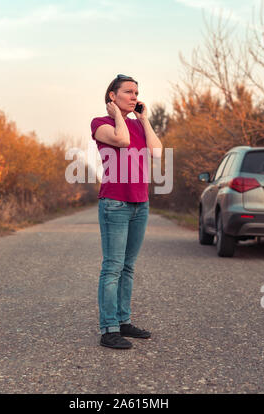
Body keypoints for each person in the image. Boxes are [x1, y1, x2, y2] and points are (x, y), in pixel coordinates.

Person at [90, 74, 162, 349]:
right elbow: (120, 140)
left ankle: (123, 321)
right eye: (128, 92)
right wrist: (118, 116)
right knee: (112, 267)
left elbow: (156, 152)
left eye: (136, 92)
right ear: (112, 96)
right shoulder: (101, 124)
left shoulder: (139, 125)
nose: (134, 96)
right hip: (115, 204)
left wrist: (143, 120)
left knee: (128, 267)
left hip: (140, 203)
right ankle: (108, 329)